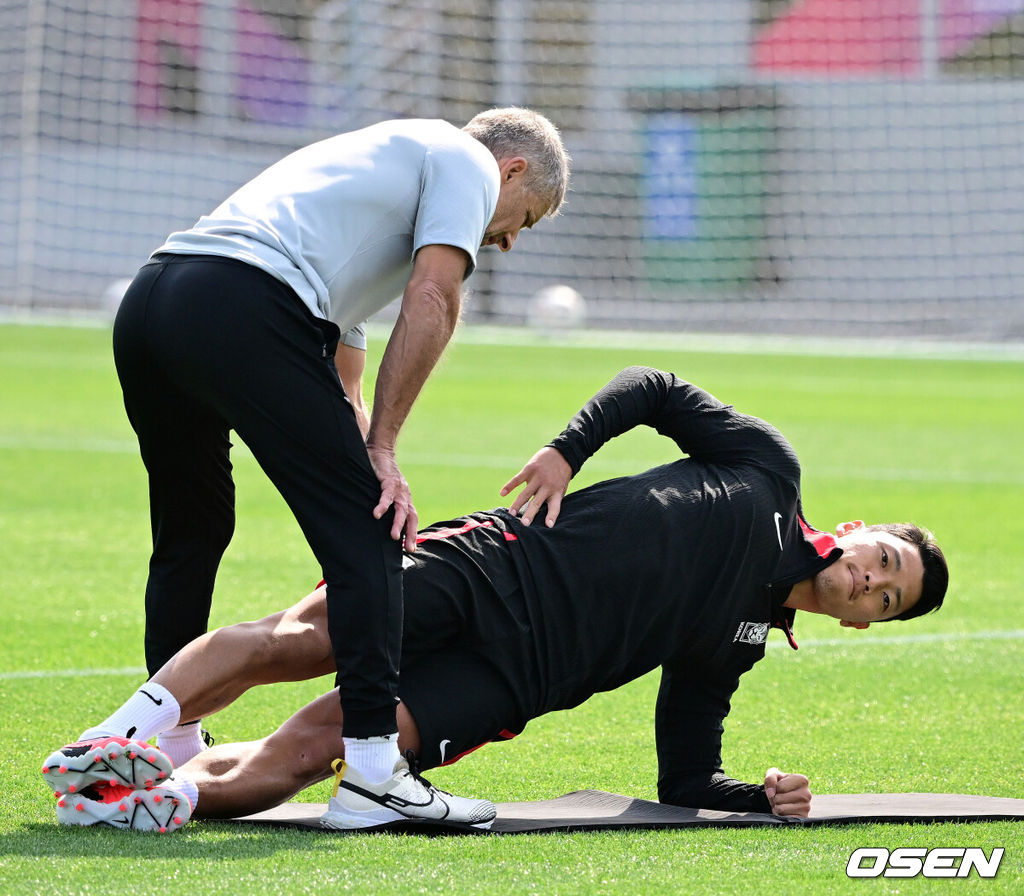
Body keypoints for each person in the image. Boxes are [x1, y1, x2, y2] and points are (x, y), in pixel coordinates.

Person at [44, 367, 948, 832]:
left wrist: (761, 798)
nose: (871, 582)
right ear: (862, 531)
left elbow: (684, 779)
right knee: (298, 641)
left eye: (887, 598)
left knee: (320, 751)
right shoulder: (768, 471)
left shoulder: (739, 642)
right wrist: (567, 451)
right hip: (493, 565)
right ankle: (117, 739)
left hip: (506, 680)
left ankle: (140, 800)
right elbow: (654, 389)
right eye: (882, 560)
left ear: (869, 624)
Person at [104, 107, 570, 821]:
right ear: (510, 171)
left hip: (154, 303)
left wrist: (375, 457)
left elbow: (344, 382)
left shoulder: (374, 174)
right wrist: (382, 458)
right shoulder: (467, 163)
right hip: (240, 302)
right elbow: (435, 296)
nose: (506, 242)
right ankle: (374, 775)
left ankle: (168, 745)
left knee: (193, 530)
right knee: (371, 535)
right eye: (524, 218)